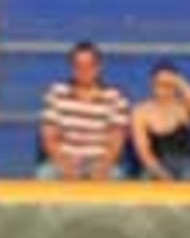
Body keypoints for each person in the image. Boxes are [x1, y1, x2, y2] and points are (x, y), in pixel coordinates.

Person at [36, 41, 130, 181]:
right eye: (78, 66)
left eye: (89, 66)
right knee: (45, 174)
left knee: (115, 176)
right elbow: (48, 137)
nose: (84, 71)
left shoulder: (115, 97)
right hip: (66, 158)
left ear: (98, 67)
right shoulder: (56, 93)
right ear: (71, 67)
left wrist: (104, 165)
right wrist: (63, 164)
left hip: (100, 159)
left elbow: (117, 141)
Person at [130, 61, 190, 181]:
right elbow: (143, 152)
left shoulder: (182, 108)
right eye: (159, 84)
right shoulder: (141, 112)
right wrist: (162, 175)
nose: (163, 90)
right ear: (151, 84)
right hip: (155, 166)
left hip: (185, 164)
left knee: (188, 173)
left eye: (168, 85)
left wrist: (180, 82)